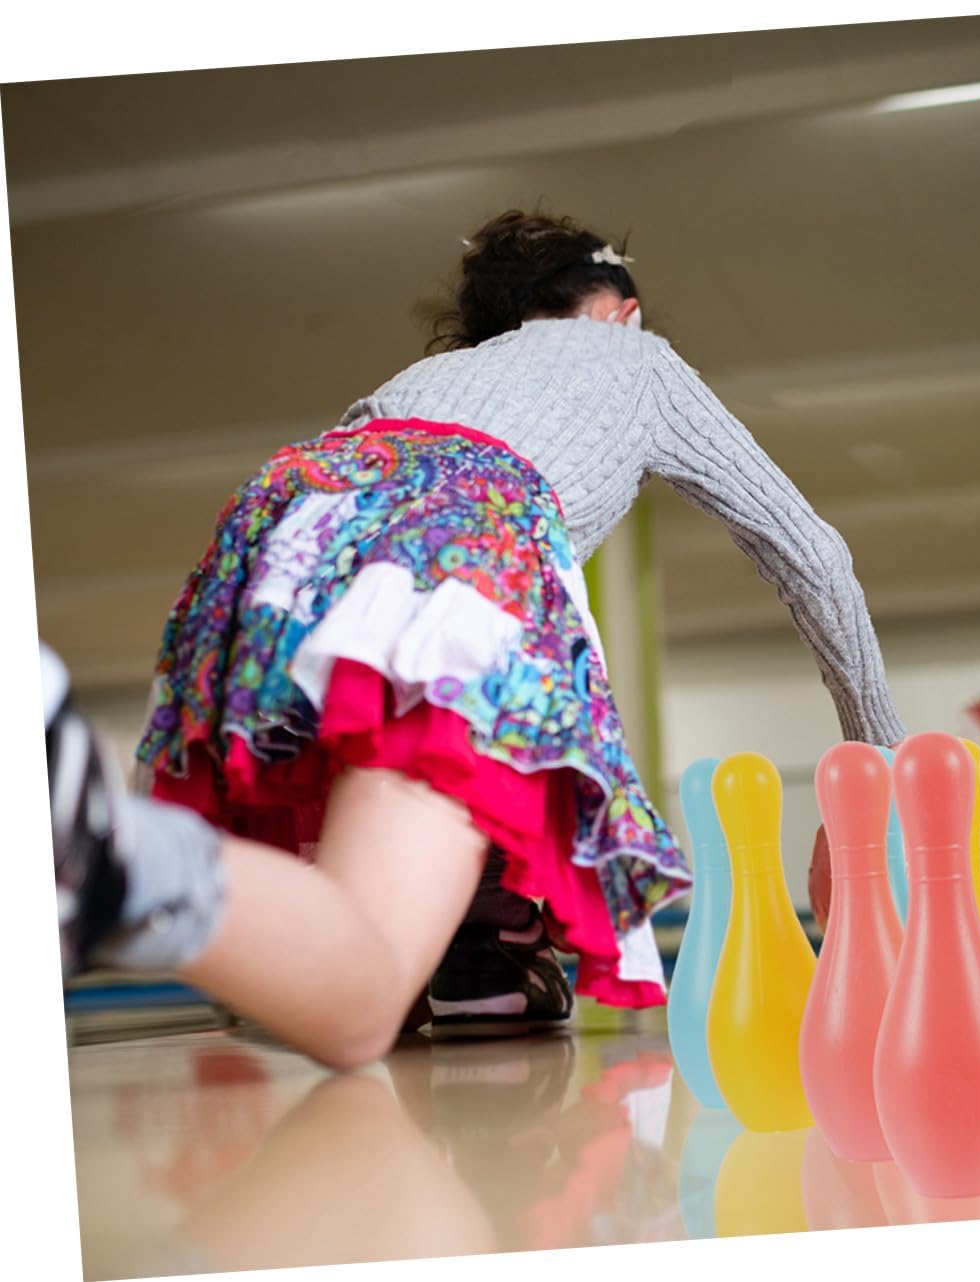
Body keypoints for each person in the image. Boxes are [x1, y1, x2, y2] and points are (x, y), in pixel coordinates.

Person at [47, 209, 906, 1068]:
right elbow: (813, 555)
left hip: (282, 521)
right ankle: (120, 853)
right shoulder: (637, 357)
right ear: (622, 312)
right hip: (465, 528)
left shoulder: (420, 382)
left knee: (375, 961)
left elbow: (364, 623)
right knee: (368, 987)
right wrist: (882, 766)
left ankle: (472, 944)